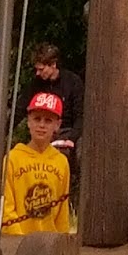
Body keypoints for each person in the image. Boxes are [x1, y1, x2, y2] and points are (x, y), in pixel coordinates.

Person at [0, 91, 71, 235]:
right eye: (37, 119)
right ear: (28, 121)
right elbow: (6, 207)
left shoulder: (61, 162)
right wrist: (18, 238)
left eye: (48, 120)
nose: (41, 125)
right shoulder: (13, 158)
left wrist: (62, 239)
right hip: (17, 240)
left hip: (49, 241)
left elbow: (62, 212)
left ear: (57, 125)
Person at [30, 43, 83, 195]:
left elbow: (80, 115)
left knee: (75, 154)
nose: (38, 73)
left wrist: (71, 138)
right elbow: (22, 107)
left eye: (41, 69)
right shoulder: (37, 84)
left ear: (53, 65)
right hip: (46, 132)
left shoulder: (73, 82)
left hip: (68, 131)